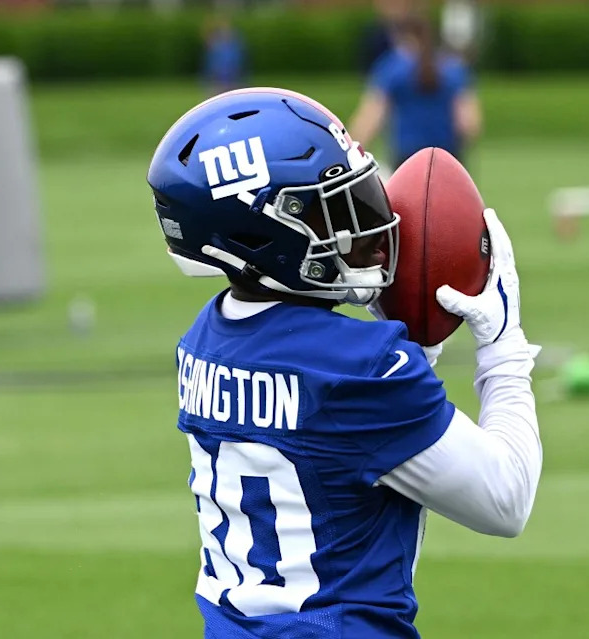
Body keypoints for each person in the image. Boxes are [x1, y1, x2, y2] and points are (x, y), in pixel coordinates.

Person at [147, 88, 540, 639]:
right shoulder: (358, 366)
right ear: (263, 232)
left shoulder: (204, 341)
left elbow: (340, 446)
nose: (365, 230)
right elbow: (506, 497)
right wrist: (503, 346)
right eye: (330, 210)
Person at [350, 16, 482, 169]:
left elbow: (369, 120)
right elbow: (470, 125)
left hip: (406, 161)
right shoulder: (454, 69)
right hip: (449, 160)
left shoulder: (392, 68)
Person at [203, 17, 246, 96]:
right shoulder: (216, 47)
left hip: (233, 79)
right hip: (218, 79)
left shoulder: (235, 47)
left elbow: (238, 64)